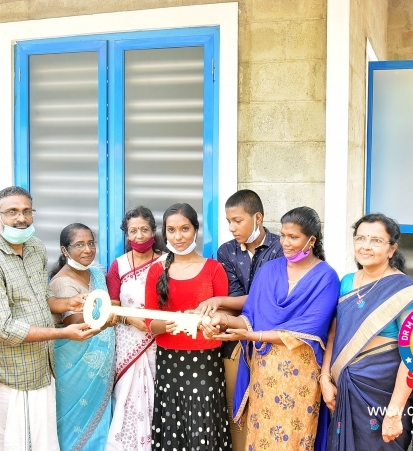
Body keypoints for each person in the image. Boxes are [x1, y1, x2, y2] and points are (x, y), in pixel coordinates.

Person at [0, 186, 99, 450]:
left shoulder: (36, 248)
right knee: (12, 442)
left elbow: (43, 298)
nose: (21, 218)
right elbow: (4, 329)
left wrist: (69, 303)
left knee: (43, 441)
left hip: (42, 365)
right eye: (12, 212)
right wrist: (63, 333)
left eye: (27, 211)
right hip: (12, 371)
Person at [212, 206, 339, 451]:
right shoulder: (269, 271)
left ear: (311, 240)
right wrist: (223, 320)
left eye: (293, 237)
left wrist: (252, 335)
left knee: (294, 438)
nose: (285, 243)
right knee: (261, 437)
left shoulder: (326, 277)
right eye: (282, 235)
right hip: (264, 370)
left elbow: (310, 329)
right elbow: (250, 318)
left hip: (301, 375)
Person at [320, 213, 413, 450]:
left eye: (376, 240)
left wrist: (394, 412)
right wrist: (325, 378)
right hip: (344, 391)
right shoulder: (347, 282)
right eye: (360, 238)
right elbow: (333, 335)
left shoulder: (405, 291)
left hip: (383, 396)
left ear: (392, 249)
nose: (366, 246)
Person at [197, 189, 283, 451]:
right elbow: (238, 297)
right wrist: (221, 304)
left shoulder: (282, 247)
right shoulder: (227, 251)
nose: (232, 228)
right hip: (236, 340)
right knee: (236, 410)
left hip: (274, 342)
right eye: (228, 221)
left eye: (238, 220)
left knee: (271, 410)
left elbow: (269, 300)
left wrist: (219, 301)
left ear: (258, 218)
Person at [143, 202, 231, 450]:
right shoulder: (156, 271)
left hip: (205, 359)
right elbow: (150, 322)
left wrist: (212, 326)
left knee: (203, 422)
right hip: (169, 359)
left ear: (195, 230)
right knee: (174, 423)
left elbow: (224, 316)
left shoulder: (214, 269)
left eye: (184, 229)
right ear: (164, 233)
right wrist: (172, 324)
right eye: (171, 230)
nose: (178, 236)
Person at [49, 223, 116, 451]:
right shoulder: (62, 282)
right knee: (74, 426)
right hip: (74, 370)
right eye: (79, 245)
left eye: (90, 243)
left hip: (100, 372)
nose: (87, 249)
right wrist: (110, 319)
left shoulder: (96, 273)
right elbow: (76, 324)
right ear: (64, 250)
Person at [105, 206, 164, 451]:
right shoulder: (118, 265)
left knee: (157, 395)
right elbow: (112, 309)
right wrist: (131, 320)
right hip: (128, 341)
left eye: (144, 230)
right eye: (133, 231)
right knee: (127, 397)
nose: (139, 236)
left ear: (153, 231)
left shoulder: (166, 262)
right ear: (126, 234)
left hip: (158, 340)